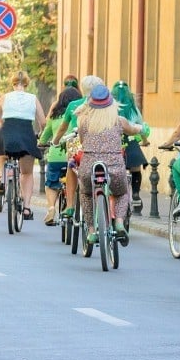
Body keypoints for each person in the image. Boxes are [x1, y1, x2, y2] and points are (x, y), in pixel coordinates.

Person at [74, 84, 144, 245]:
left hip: (89, 166)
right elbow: (133, 130)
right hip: (114, 166)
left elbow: (83, 142)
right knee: (121, 192)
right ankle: (119, 221)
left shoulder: (83, 121)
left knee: (85, 193)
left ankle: (91, 231)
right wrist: (141, 129)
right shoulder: (119, 121)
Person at [0, 71, 46, 220]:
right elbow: (43, 122)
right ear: (26, 84)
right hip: (26, 134)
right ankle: (27, 208)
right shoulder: (33, 99)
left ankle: (1, 179)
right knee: (26, 173)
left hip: (7, 132)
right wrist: (40, 134)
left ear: (13, 83)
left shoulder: (4, 98)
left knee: (1, 152)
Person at [51, 75, 105, 217]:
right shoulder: (106, 105)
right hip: (101, 143)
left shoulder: (74, 105)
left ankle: (70, 206)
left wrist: (55, 141)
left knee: (71, 166)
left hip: (78, 142)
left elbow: (63, 128)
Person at [39, 86, 82, 225]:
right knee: (76, 183)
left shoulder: (54, 116)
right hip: (74, 155)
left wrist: (42, 143)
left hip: (56, 157)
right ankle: (73, 205)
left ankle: (51, 207)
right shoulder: (80, 113)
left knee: (51, 183)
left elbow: (45, 136)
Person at [112, 80, 151, 213]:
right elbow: (142, 129)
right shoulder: (134, 109)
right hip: (131, 141)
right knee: (136, 169)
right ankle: (135, 193)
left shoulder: (110, 107)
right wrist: (145, 141)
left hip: (115, 142)